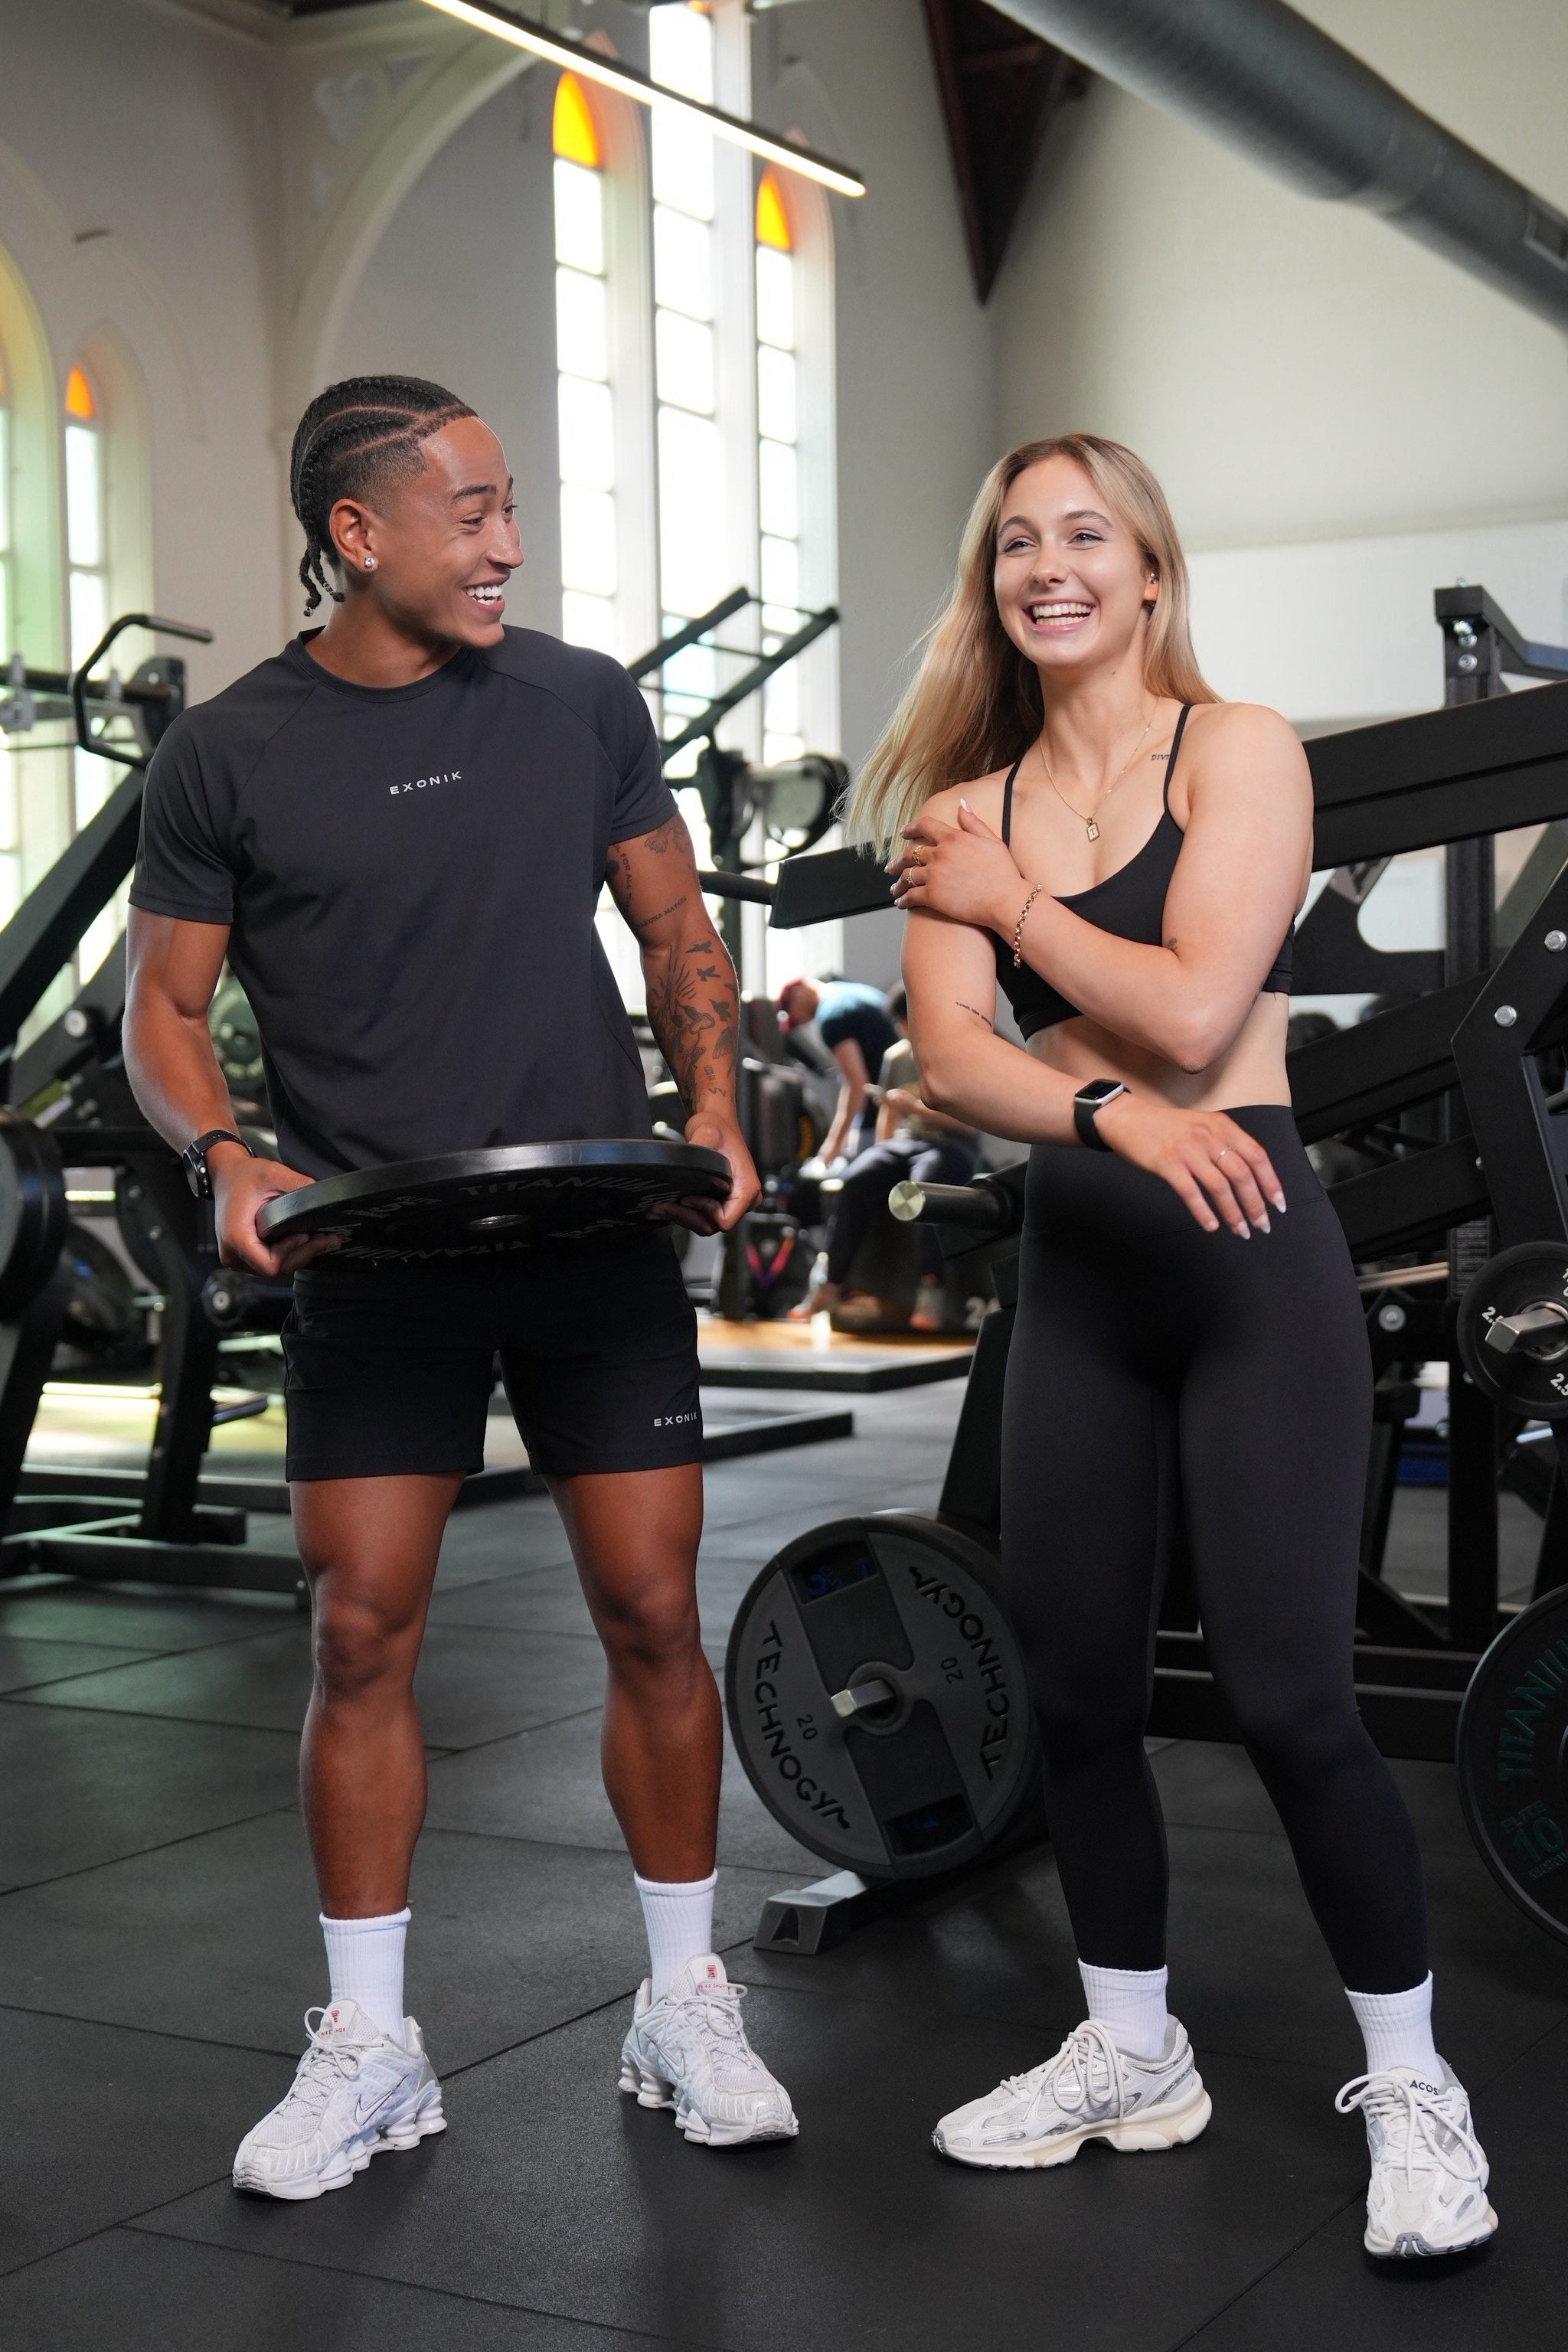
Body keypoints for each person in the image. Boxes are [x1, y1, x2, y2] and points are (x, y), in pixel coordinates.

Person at [122, 375, 797, 2201]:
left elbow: (674, 925)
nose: (509, 543)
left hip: (587, 1235)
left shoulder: (578, 699)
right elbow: (161, 1013)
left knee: (656, 1611)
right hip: (379, 1249)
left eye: (512, 509)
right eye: (473, 510)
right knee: (358, 1630)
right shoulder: (225, 753)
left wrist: (720, 1104)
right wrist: (223, 1156)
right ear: (358, 531)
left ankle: (681, 2000)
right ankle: (372, 2042)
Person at [849, 433, 1495, 2261]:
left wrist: (1016, 915)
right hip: (1084, 1278)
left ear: (1146, 569)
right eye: (1013, 544)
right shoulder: (956, 798)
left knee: (1294, 1695)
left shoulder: (1238, 746)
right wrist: (1117, 1117)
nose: (1047, 566)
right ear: (993, 584)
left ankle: (1414, 2079)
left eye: (1085, 535)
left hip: (1248, 1272)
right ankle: (1131, 2045)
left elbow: (1203, 998)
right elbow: (957, 1064)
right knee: (1072, 1691)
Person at [792, 984, 980, 1330]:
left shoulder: (954, 1056)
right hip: (906, 1144)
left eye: (904, 1023)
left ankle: (931, 1287)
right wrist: (882, 1152)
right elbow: (887, 1117)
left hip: (951, 1145)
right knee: (857, 1178)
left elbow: (968, 1124)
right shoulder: (896, 1057)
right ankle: (832, 1281)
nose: (900, 1030)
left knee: (925, 1186)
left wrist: (917, 1110)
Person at [776, 975, 897, 1165]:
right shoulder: (850, 991)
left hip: (886, 1112)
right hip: (905, 1100)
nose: (801, 1021)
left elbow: (857, 1083)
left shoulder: (832, 1016)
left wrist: (834, 1142)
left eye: (791, 1013)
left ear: (798, 992)